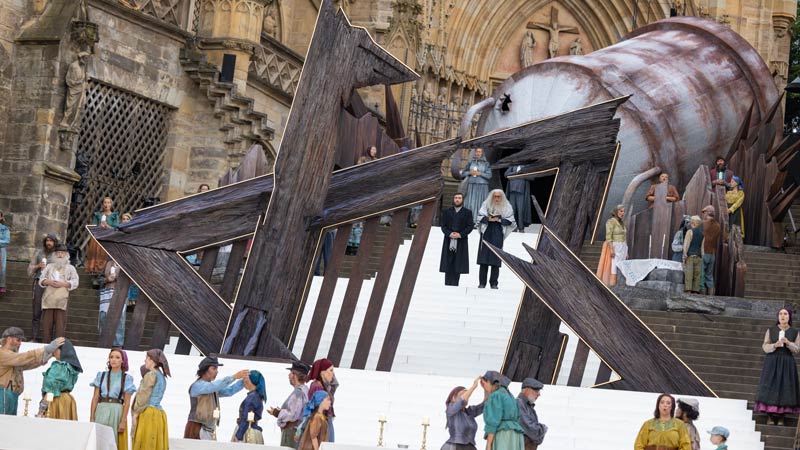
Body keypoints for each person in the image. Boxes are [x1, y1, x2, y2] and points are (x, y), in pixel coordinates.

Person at [0, 328, 63, 415]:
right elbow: (23, 358)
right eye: (18, 340)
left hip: (12, 395)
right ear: (9, 339)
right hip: (3, 393)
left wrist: (46, 356)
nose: (20, 343)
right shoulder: (2, 353)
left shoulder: (13, 358)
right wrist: (45, 349)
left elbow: (27, 364)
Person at [754, 308, 800, 426]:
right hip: (772, 361)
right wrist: (775, 345)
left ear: (789, 317)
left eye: (785, 314)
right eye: (780, 314)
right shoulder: (771, 330)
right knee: (770, 386)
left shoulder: (795, 332)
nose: (782, 316)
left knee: (785, 387)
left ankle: (781, 417)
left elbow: (797, 349)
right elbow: (765, 346)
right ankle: (770, 416)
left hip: (787, 362)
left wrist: (788, 343)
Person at [184, 356, 248, 440]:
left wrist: (243, 381)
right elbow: (214, 386)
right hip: (197, 428)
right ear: (205, 370)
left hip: (209, 429)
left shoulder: (211, 387)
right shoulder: (197, 386)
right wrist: (234, 377)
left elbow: (229, 391)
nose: (216, 371)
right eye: (214, 368)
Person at [90, 348, 136, 450]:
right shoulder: (101, 376)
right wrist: (92, 417)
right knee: (99, 440)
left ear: (122, 361)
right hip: (101, 410)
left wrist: (123, 421)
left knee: (112, 441)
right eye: (111, 357)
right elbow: (95, 398)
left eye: (117, 357)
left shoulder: (126, 378)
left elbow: (127, 402)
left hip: (116, 412)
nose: (113, 360)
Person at [39, 244, 79, 342]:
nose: (60, 255)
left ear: (66, 254)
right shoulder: (49, 266)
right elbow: (41, 279)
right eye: (58, 253)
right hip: (49, 299)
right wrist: (48, 282)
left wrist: (64, 284)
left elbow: (75, 281)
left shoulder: (71, 268)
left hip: (62, 299)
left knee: (60, 326)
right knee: (46, 326)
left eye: (62, 253)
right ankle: (45, 346)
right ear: (54, 254)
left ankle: (58, 347)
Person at [476, 190, 516, 289]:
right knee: (483, 259)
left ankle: (494, 283)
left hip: (498, 232)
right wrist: (488, 219)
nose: (497, 199)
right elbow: (479, 217)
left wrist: (499, 220)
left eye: (499, 197)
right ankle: (482, 283)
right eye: (495, 197)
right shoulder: (486, 204)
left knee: (496, 257)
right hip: (486, 232)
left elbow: (511, 221)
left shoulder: (507, 206)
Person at [132, 349, 170, 450]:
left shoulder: (151, 375)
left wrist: (135, 413)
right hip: (158, 413)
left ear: (152, 360)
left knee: (145, 443)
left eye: (147, 359)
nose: (145, 361)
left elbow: (143, 395)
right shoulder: (162, 377)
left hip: (148, 413)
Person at [38, 338, 82, 420]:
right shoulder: (71, 366)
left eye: (56, 349)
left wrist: (42, 407)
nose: (54, 352)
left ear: (63, 351)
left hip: (56, 400)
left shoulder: (59, 366)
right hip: (68, 401)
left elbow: (51, 387)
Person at [481, 370, 525, 450]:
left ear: (490, 382)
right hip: (515, 437)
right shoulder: (510, 396)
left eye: (484, 384)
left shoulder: (496, 396)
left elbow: (493, 421)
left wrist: (488, 444)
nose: (484, 387)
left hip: (503, 436)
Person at [269, 361, 310, 446]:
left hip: (291, 433)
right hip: (297, 432)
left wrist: (278, 413)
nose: (289, 375)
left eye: (291, 373)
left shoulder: (298, 393)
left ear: (295, 375)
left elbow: (292, 415)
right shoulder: (305, 391)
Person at [27, 233, 58, 342]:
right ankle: (34, 337)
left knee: (50, 312)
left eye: (51, 241)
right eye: (47, 240)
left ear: (54, 243)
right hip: (39, 283)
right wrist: (38, 266)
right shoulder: (39, 253)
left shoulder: (58, 254)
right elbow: (29, 270)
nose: (49, 243)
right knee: (36, 311)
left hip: (52, 286)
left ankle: (48, 339)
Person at [440, 193, 474, 286]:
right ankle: (447, 282)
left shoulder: (467, 212)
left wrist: (460, 234)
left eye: (459, 198)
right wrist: (450, 233)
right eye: (455, 198)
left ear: (462, 200)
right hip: (449, 239)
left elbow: (470, 226)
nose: (457, 200)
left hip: (461, 240)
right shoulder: (447, 211)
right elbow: (443, 225)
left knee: (458, 262)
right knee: (448, 261)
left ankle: (455, 283)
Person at [442, 376, 484, 450]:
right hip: (455, 447)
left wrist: (485, 388)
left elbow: (484, 405)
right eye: (462, 394)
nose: (466, 397)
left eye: (467, 395)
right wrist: (474, 387)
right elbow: (462, 400)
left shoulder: (469, 412)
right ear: (453, 398)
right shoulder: (450, 409)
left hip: (470, 447)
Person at [86, 197, 121, 275]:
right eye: (105, 202)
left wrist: (107, 226)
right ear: (102, 204)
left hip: (108, 237)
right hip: (98, 236)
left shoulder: (114, 215)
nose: (106, 204)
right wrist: (99, 226)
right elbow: (93, 226)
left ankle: (102, 271)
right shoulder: (97, 214)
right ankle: (93, 269)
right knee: (95, 251)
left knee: (104, 253)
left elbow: (116, 228)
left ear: (111, 204)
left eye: (108, 203)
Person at [307, 358, 338, 442]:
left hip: (325, 422)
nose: (333, 373)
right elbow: (317, 410)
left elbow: (335, 384)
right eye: (331, 370)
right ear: (322, 372)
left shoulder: (324, 386)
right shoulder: (317, 386)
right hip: (322, 424)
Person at [233, 370, 267, 444]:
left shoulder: (252, 397)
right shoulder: (257, 396)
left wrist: (239, 435)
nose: (244, 381)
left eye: (246, 378)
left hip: (247, 431)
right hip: (251, 430)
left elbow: (246, 418)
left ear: (251, 381)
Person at [596, 205, 627, 286]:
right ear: (616, 211)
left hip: (623, 247)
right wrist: (611, 249)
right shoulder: (610, 221)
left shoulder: (622, 223)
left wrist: (627, 251)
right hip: (615, 246)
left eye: (624, 211)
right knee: (614, 265)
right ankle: (612, 284)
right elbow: (609, 236)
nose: (623, 213)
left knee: (621, 265)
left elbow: (624, 237)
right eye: (621, 211)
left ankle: (619, 283)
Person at [99, 257, 125, 347]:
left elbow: (131, 279)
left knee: (120, 319)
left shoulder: (126, 264)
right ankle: (104, 341)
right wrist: (107, 279)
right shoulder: (107, 263)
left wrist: (117, 277)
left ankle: (118, 344)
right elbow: (98, 279)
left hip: (121, 293)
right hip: (106, 293)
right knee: (103, 317)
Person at [460, 148, 491, 223]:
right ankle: (469, 220)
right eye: (477, 152)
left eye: (480, 152)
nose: (478, 153)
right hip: (471, 185)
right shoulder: (471, 162)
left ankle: (479, 221)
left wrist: (480, 173)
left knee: (481, 203)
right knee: (470, 203)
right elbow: (463, 173)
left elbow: (489, 175)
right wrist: (469, 173)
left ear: (482, 153)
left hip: (482, 186)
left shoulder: (486, 163)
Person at [517, 378, 547, 450]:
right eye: (536, 390)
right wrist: (543, 429)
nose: (539, 394)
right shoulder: (519, 404)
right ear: (527, 390)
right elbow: (532, 430)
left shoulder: (529, 407)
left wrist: (539, 431)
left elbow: (538, 439)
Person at [701, 206, 721, 295]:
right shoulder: (718, 226)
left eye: (704, 212)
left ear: (706, 213)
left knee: (701, 276)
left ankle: (702, 299)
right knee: (709, 276)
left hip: (703, 252)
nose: (703, 214)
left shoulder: (702, 224)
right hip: (712, 254)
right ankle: (711, 298)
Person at [504, 166, 532, 231]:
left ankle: (521, 227)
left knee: (520, 210)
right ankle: (513, 226)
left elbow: (531, 177)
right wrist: (516, 173)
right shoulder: (512, 167)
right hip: (512, 191)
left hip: (521, 191)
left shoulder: (525, 167)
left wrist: (522, 174)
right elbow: (506, 174)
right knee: (512, 210)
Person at [682, 216, 704, 294]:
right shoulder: (702, 234)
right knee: (696, 275)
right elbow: (702, 247)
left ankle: (688, 292)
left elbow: (686, 245)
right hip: (698, 257)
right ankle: (695, 291)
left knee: (689, 274)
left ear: (693, 223)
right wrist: (702, 257)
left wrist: (684, 255)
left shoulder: (689, 232)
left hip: (690, 256)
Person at [0, 211, 9, 296]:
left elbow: (6, 241)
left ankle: (1, 285)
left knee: (1, 269)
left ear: (1, 217)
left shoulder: (5, 229)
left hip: (1, 251)